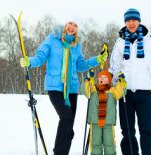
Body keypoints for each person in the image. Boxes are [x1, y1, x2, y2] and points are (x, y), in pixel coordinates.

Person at [20, 16, 108, 155]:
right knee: (66, 118)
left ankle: (62, 151)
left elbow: (80, 65)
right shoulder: (52, 39)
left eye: (75, 25)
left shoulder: (76, 45)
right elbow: (41, 56)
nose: (72, 27)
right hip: (55, 87)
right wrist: (29, 61)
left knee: (68, 126)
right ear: (65, 24)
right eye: (70, 23)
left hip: (71, 88)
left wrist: (97, 59)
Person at [109, 8, 151, 155]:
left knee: (147, 131)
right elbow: (114, 68)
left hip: (144, 93)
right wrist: (106, 83)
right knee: (127, 131)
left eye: (134, 20)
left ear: (139, 21)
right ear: (125, 22)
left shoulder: (150, 39)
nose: (131, 23)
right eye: (128, 20)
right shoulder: (120, 42)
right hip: (125, 94)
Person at [84, 69, 126, 155]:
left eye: (104, 77)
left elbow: (120, 92)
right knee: (95, 143)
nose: (101, 78)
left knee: (109, 142)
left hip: (108, 122)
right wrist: (88, 79)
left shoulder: (112, 90)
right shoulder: (93, 89)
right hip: (95, 121)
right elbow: (85, 91)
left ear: (109, 80)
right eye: (100, 77)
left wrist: (121, 82)